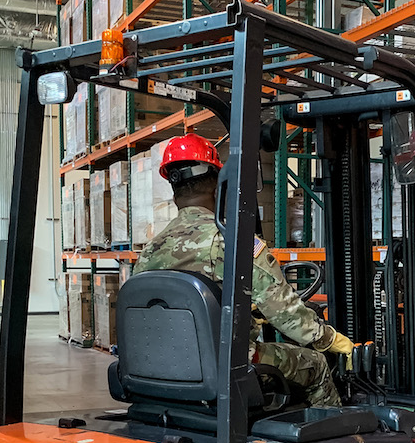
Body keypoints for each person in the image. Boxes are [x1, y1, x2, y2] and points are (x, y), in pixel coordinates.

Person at [135, 134, 353, 406]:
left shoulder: (149, 250)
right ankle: (339, 439)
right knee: (317, 365)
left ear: (174, 191)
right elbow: (284, 313)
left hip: (164, 367)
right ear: (219, 186)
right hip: (224, 367)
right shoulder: (232, 241)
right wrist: (327, 339)